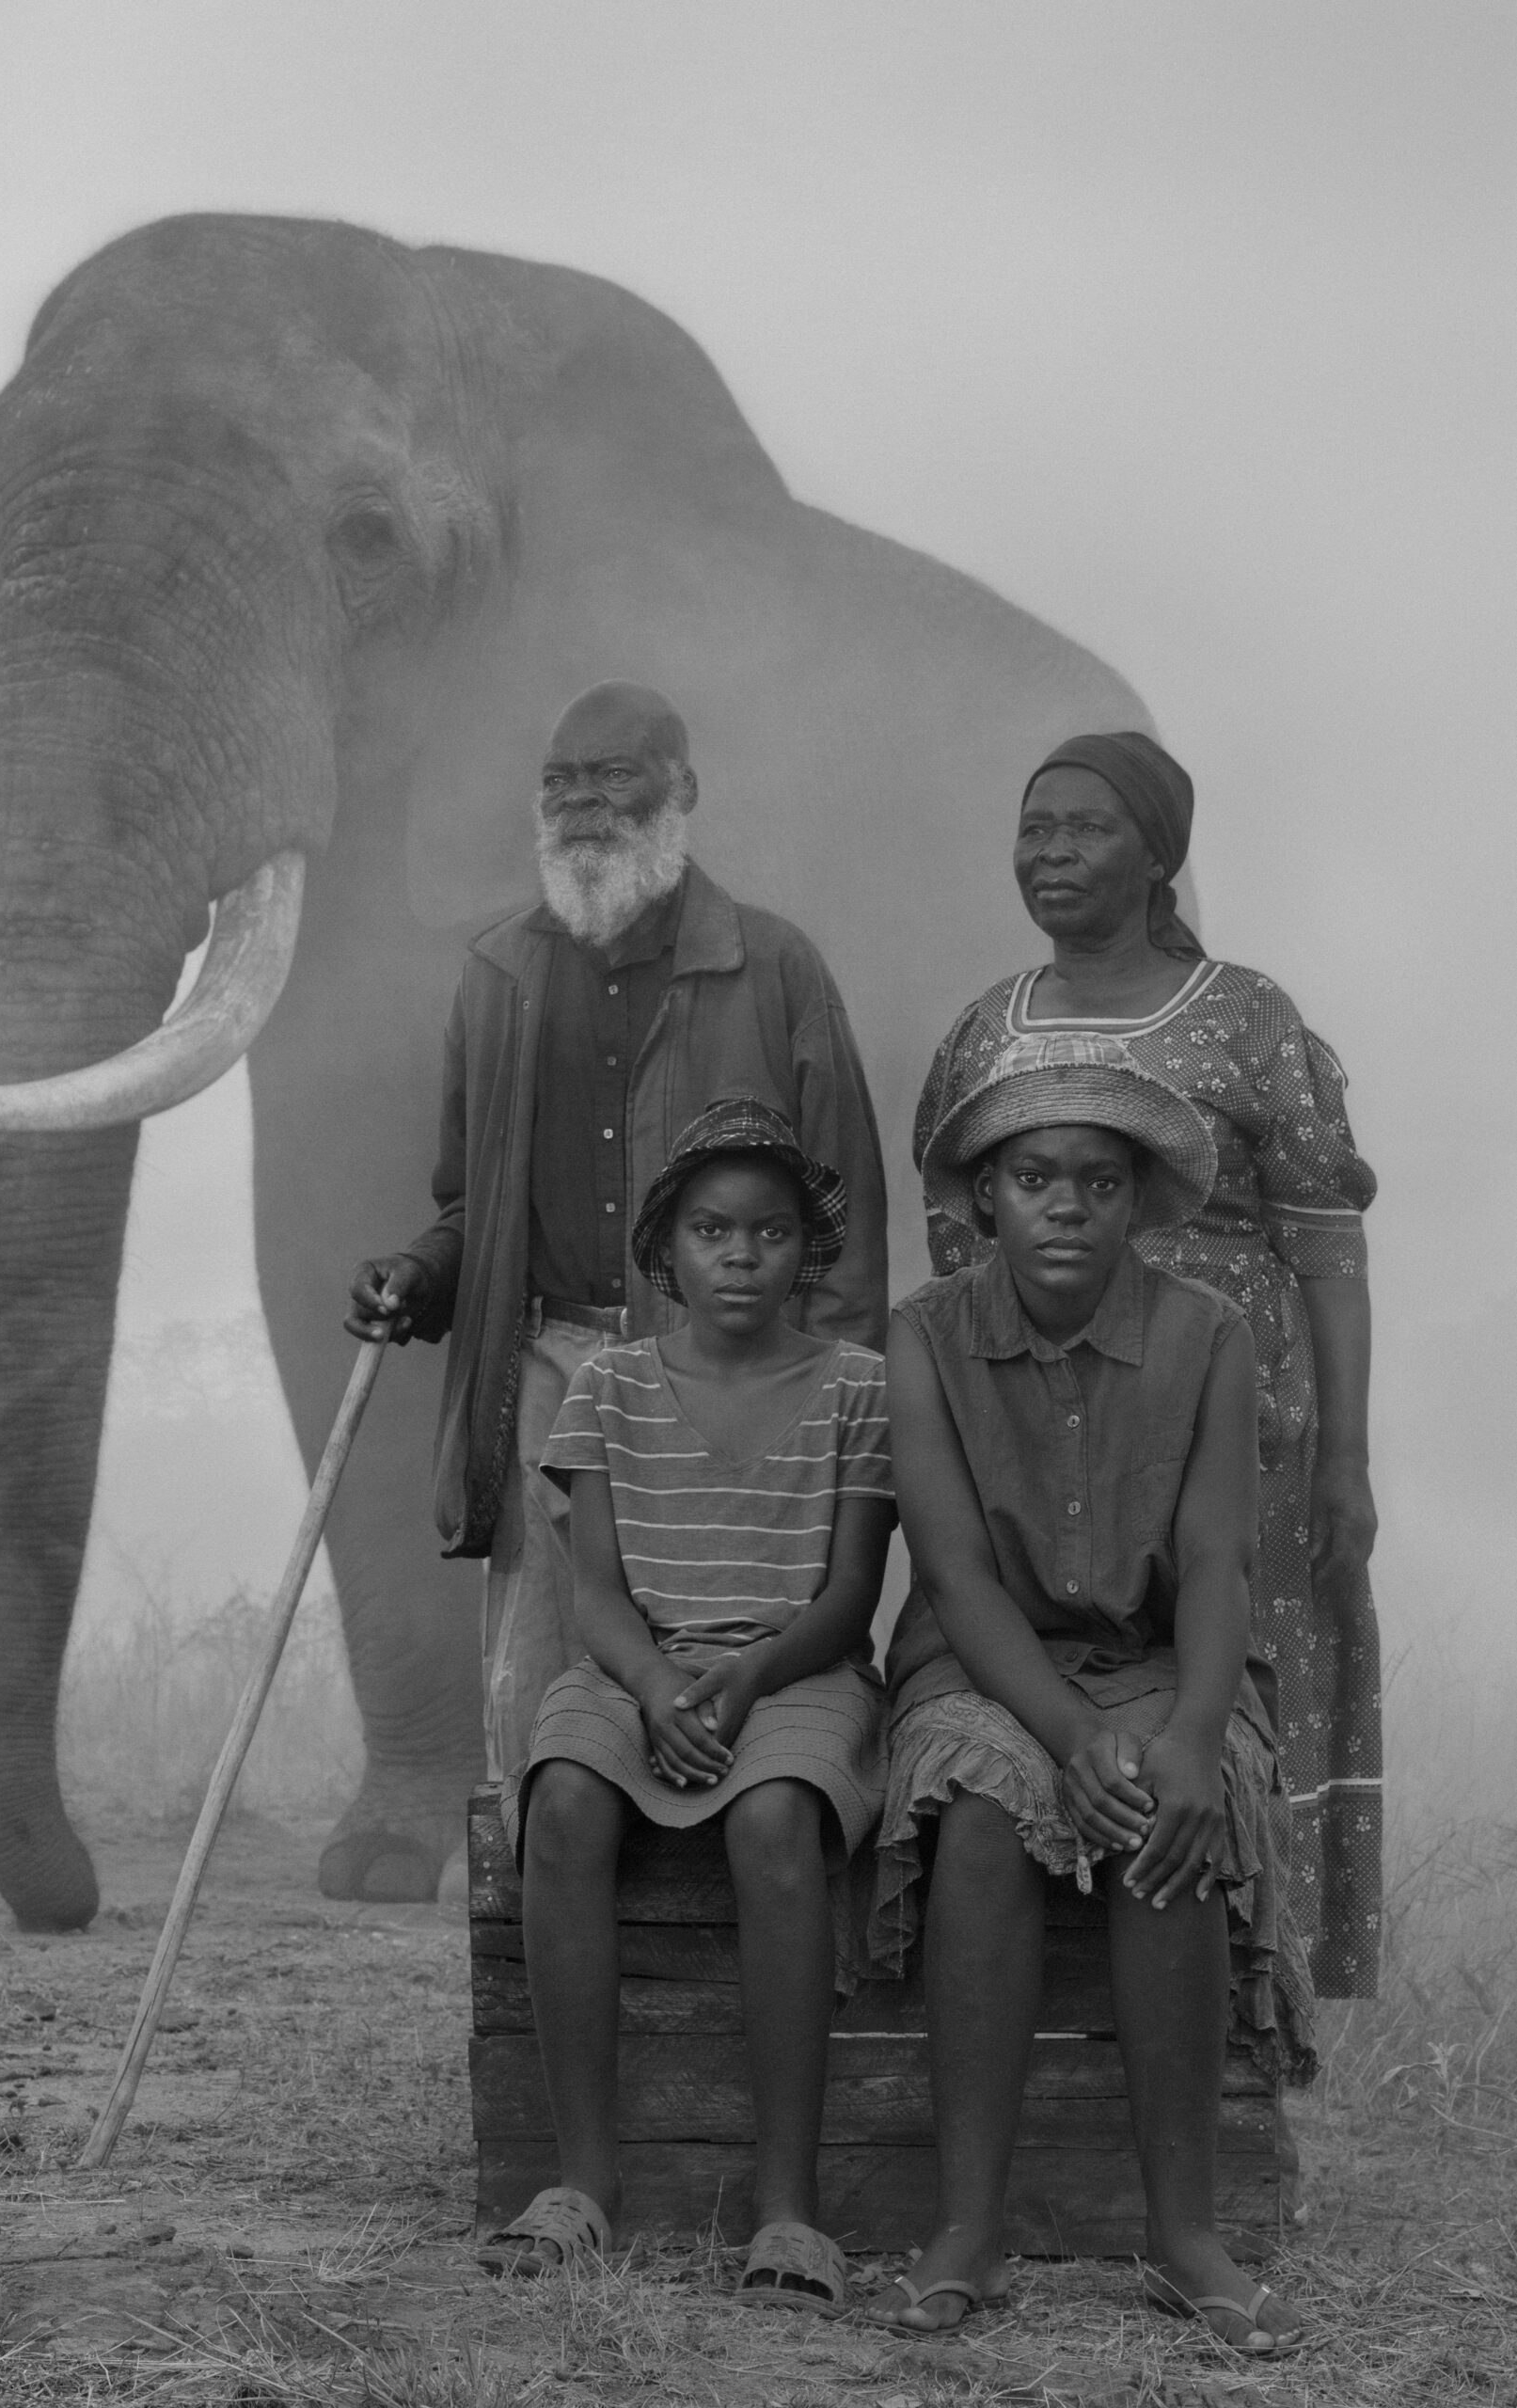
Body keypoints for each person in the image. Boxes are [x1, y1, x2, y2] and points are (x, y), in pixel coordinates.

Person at [346, 681, 888, 1796]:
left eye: (612, 774)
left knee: (724, 1677)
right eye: (559, 780)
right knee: (538, 1680)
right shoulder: (496, 976)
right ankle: (543, 1952)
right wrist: (418, 1273)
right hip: (546, 1370)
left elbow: (844, 1221)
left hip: (733, 1378)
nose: (582, 800)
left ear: (681, 789)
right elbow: (471, 1209)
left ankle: (710, 1953)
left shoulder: (776, 968)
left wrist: (836, 1415)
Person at [913, 732, 1379, 2001]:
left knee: (1229, 1711)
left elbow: (1327, 1241)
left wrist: (1343, 1453)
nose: (1049, 852)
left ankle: (1253, 2043)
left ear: (1159, 853)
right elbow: (955, 1274)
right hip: (1050, 1447)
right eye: (1033, 827)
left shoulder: (1248, 1017)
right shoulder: (979, 1035)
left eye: (1085, 827)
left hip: (1243, 1435)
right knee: (1067, 1704)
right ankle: (1076, 2028)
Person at [865, 1033, 1313, 2354]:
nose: (1065, 1207)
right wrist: (1065, 1736)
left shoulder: (1206, 1336)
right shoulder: (925, 1337)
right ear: (983, 1200)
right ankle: (967, 2226)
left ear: (1134, 1203)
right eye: (1034, 1179)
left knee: (1168, 1825)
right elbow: (951, 1574)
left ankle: (1184, 2238)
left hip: (1169, 1660)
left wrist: (1182, 1739)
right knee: (992, 1818)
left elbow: (1223, 1565)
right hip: (984, 1662)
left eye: (1098, 1185)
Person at [475, 1098, 896, 2304]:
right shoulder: (608, 1385)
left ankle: (786, 2211)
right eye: (712, 1230)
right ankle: (584, 2182)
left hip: (797, 1671)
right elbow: (594, 1597)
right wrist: (656, 1681)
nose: (741, 1254)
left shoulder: (856, 1386)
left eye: (769, 1233)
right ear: (665, 1251)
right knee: (559, 1802)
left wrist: (747, 1676)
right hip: (635, 1665)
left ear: (805, 1252)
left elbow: (851, 1596)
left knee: (774, 1824)